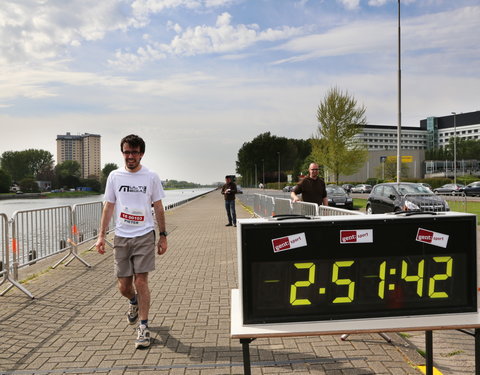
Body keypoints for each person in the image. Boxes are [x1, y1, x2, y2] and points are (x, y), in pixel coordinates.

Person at [95, 134, 168, 349]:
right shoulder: (114, 176)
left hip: (144, 234)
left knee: (141, 281)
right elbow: (108, 206)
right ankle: (133, 302)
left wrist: (163, 235)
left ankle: (143, 327)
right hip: (121, 236)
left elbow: (158, 206)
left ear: (141, 154)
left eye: (134, 152)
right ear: (123, 153)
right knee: (124, 286)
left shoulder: (151, 176)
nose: (130, 156)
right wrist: (101, 235)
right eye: (126, 152)